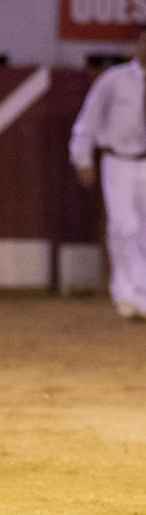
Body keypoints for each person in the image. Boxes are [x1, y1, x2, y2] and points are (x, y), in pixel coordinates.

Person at [69, 27, 146, 321]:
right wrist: (82, 158)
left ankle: (142, 294)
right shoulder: (114, 79)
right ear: (136, 46)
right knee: (124, 226)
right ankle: (126, 294)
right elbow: (88, 119)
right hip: (118, 161)